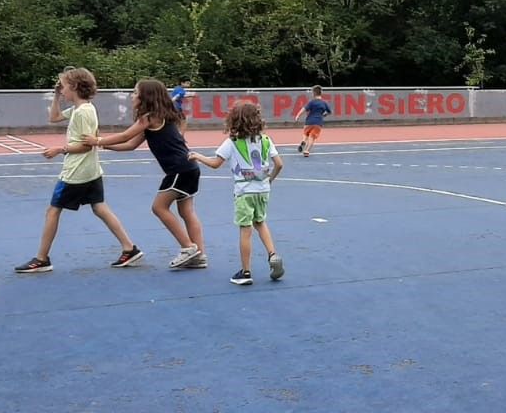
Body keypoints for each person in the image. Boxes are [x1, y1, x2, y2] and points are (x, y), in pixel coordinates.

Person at [14, 67, 142, 274]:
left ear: (74, 87)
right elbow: (54, 118)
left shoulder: (82, 113)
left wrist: (60, 149)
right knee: (99, 207)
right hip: (92, 171)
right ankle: (130, 248)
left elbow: (86, 145)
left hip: (76, 173)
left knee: (53, 210)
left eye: (63, 86)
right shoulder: (82, 108)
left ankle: (41, 258)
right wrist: (55, 96)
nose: (62, 90)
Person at [83, 78, 207, 269]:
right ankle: (200, 255)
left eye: (135, 92)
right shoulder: (158, 118)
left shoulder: (149, 118)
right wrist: (105, 147)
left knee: (159, 208)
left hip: (178, 169)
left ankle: (189, 248)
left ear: (145, 96)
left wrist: (97, 140)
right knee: (187, 212)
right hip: (190, 167)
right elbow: (130, 145)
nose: (132, 96)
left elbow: (125, 135)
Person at [189, 101, 284, 286]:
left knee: (245, 230)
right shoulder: (265, 140)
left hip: (244, 191)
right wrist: (270, 179)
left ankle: (246, 271)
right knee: (260, 222)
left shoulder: (232, 142)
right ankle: (273, 254)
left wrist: (197, 156)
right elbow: (279, 164)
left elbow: (216, 163)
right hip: (263, 189)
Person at [294, 85, 332, 157]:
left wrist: (298, 115)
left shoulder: (312, 102)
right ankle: (307, 151)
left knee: (305, 134)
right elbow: (329, 111)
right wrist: (324, 114)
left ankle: (303, 141)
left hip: (309, 121)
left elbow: (304, 109)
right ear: (321, 93)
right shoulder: (324, 103)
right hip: (318, 123)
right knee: (312, 137)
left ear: (314, 93)